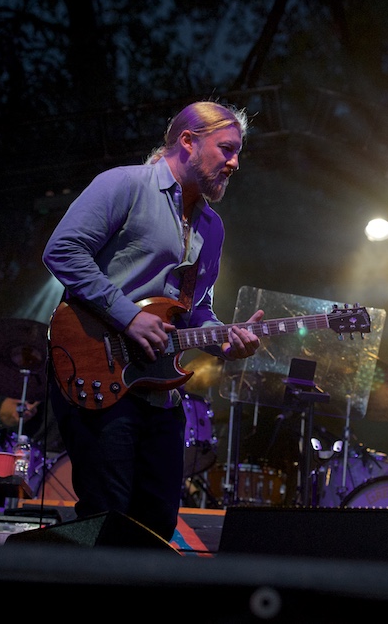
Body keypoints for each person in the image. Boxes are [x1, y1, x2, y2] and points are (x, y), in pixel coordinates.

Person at [41, 100, 263, 541]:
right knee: (107, 515)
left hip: (159, 388)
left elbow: (194, 307)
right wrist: (129, 318)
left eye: (238, 152)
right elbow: (61, 251)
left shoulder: (212, 227)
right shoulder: (123, 184)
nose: (235, 163)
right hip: (96, 365)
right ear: (187, 141)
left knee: (157, 521)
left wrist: (224, 340)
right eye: (226, 149)